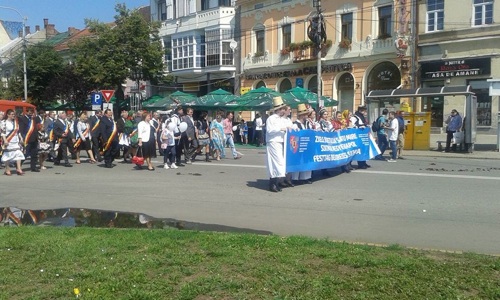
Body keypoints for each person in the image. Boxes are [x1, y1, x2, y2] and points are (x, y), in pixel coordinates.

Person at [266, 96, 292, 192]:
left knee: (280, 163)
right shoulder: (271, 119)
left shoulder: (281, 119)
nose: (283, 111)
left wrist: (290, 128)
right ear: (278, 109)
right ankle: (272, 183)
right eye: (282, 109)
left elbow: (288, 127)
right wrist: (281, 129)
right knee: (277, 163)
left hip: (280, 142)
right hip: (273, 142)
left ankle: (275, 182)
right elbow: (269, 130)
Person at [291, 103, 313, 185]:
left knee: (306, 161)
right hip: (299, 146)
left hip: (305, 145)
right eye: (305, 114)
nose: (307, 116)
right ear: (301, 115)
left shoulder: (306, 123)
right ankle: (295, 178)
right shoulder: (295, 124)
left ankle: (305, 177)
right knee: (298, 161)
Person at [1, 109, 25, 175]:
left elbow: (18, 131)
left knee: (18, 154)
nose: (13, 115)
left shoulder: (15, 122)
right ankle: (7, 169)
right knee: (7, 155)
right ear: (8, 115)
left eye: (14, 114)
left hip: (15, 141)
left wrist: (21, 138)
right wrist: (5, 140)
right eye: (12, 114)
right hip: (8, 141)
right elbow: (2, 132)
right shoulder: (4, 122)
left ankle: (19, 169)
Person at [18, 108, 40, 172]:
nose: (30, 113)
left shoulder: (33, 119)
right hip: (27, 138)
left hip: (34, 138)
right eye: (29, 111)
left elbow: (38, 122)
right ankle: (18, 166)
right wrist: (22, 138)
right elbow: (21, 129)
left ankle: (33, 167)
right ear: (26, 111)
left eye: (32, 112)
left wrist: (35, 115)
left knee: (34, 154)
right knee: (25, 154)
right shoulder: (22, 118)